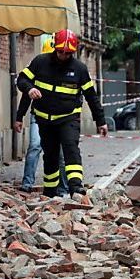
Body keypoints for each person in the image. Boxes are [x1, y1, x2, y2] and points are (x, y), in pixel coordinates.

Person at [16, 29, 108, 198]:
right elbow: (22, 79)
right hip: (44, 119)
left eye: (67, 53)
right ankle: (50, 193)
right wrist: (29, 90)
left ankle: (76, 188)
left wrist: (100, 121)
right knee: (50, 156)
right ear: (54, 48)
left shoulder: (79, 69)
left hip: (68, 117)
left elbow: (91, 97)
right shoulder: (40, 62)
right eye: (60, 52)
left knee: (71, 149)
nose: (63, 56)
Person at [15, 37, 68, 195]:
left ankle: (62, 188)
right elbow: (27, 94)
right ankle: (27, 182)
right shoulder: (39, 69)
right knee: (35, 146)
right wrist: (19, 117)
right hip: (38, 116)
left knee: (59, 152)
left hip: (59, 118)